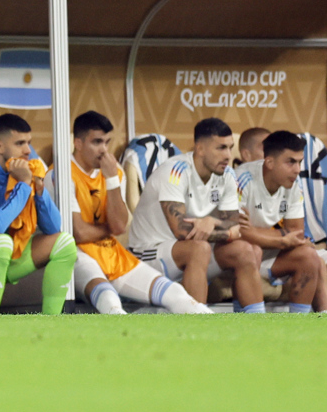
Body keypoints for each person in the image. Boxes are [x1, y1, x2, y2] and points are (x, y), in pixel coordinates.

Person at [51, 111, 211, 315]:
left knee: (177, 295)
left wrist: (111, 181)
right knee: (110, 300)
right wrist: (108, 228)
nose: (103, 150)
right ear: (78, 143)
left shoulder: (114, 172)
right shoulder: (60, 173)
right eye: (97, 142)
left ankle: (209, 338)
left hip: (112, 251)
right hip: (77, 254)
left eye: (107, 142)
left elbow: (118, 227)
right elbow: (80, 234)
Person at [127, 118, 265, 312]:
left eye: (230, 148)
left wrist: (212, 221)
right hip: (148, 254)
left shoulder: (227, 175)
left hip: (193, 253)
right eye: (221, 148)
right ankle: (197, 326)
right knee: (199, 248)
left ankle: (257, 326)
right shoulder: (175, 171)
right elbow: (182, 232)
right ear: (200, 149)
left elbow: (236, 224)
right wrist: (229, 231)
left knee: (248, 251)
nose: (227, 155)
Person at [236, 131, 327, 312]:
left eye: (300, 162)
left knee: (322, 256)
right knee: (307, 255)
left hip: (276, 251)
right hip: (246, 253)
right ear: (269, 162)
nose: (298, 169)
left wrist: (268, 236)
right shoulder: (241, 179)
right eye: (291, 162)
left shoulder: (293, 183)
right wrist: (281, 239)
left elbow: (296, 232)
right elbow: (238, 231)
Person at [0, 114, 75, 316]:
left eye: (29, 143)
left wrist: (37, 189)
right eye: (20, 143)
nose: (28, 150)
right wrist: (23, 185)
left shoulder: (27, 166)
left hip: (8, 249)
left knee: (65, 243)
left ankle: (53, 323)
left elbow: (54, 227)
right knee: (1, 242)